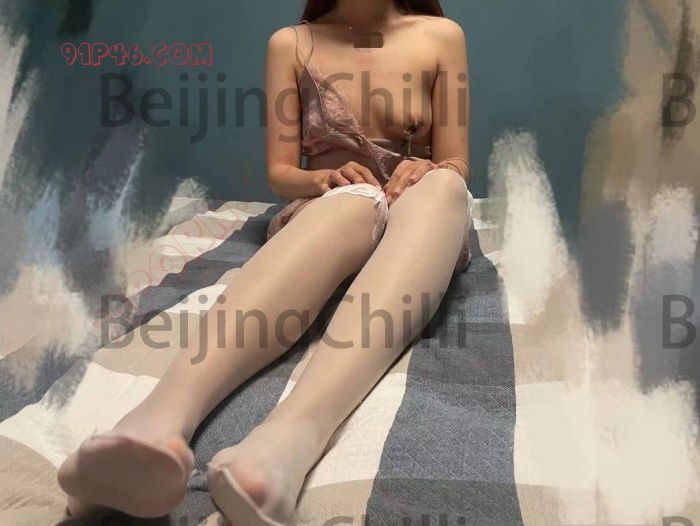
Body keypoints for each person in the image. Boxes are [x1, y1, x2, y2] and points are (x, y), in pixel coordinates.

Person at [58, 1, 473, 524]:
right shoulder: (291, 44)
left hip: (420, 214)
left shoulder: (441, 36)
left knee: (445, 186)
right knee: (355, 202)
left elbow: (458, 159)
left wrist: (431, 167)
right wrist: (322, 178)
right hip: (335, 206)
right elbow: (280, 172)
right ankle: (154, 425)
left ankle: (284, 447)